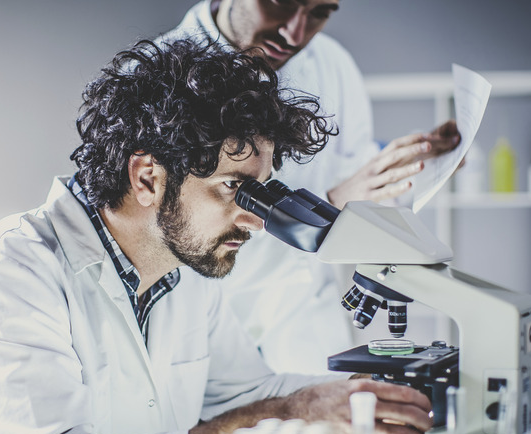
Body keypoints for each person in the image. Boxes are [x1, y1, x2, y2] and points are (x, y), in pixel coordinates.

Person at [0, 38, 433, 434]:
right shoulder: (8, 276)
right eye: (236, 188)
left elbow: (247, 395)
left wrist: (373, 396)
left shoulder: (184, 273)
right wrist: (295, 418)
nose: (257, 219)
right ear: (148, 178)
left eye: (264, 191)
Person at [161, 0, 462, 374]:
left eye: (320, 12)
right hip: (204, 322)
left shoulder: (332, 65)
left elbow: (357, 181)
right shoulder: (155, 77)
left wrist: (414, 166)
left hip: (304, 317)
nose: (295, 33)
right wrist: (330, 204)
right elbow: (172, 237)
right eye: (281, 3)